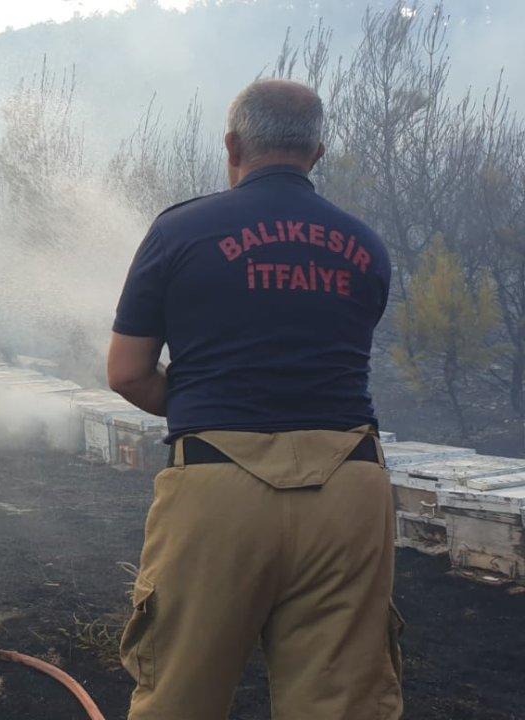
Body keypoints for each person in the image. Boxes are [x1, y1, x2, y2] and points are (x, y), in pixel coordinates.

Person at [106, 78, 400, 720]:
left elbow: (127, 373)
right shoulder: (367, 246)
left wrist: (209, 399)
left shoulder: (180, 230)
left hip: (217, 488)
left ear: (233, 145)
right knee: (342, 704)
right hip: (350, 488)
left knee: (180, 696)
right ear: (316, 154)